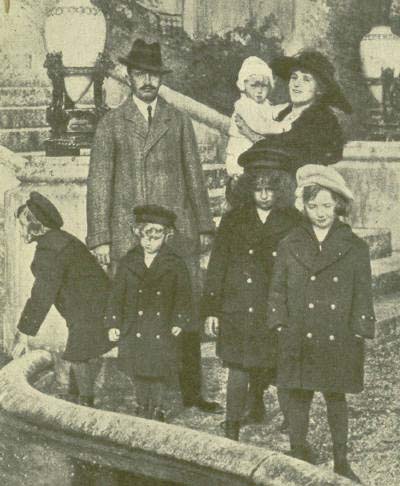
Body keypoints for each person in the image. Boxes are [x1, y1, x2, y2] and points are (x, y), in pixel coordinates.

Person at [86, 39, 221, 414]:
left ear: (161, 79)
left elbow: (194, 176)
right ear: (129, 77)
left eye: (153, 75)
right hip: (131, 234)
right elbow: (99, 185)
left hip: (177, 233)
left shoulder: (178, 120)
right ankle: (141, 396)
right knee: (137, 315)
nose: (147, 81)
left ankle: (192, 393)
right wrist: (100, 238)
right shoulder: (111, 124)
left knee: (184, 310)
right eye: (140, 74)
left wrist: (204, 225)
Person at [267, 165, 375, 483]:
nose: (321, 213)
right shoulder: (290, 243)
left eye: (327, 205)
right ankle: (298, 453)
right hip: (299, 332)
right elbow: (277, 288)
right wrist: (278, 321)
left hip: (337, 334)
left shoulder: (355, 246)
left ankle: (341, 461)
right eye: (313, 206)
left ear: (337, 205)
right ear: (303, 206)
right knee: (298, 396)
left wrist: (360, 327)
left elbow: (362, 291)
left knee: (335, 397)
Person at [203, 146, 301, 441]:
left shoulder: (293, 220)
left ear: (281, 189)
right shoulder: (233, 220)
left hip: (275, 305)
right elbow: (217, 265)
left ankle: (295, 429)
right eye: (258, 189)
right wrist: (211, 309)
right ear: (248, 189)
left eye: (271, 189)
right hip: (238, 304)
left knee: (280, 366)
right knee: (238, 366)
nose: (265, 195)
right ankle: (232, 424)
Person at [12, 192, 113, 407]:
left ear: (35, 225)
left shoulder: (50, 250)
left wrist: (24, 334)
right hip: (93, 305)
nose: (20, 231)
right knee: (81, 351)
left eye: (22, 225)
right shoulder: (60, 239)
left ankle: (84, 404)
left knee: (78, 354)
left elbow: (41, 296)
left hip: (89, 309)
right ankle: (77, 397)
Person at [106, 205, 192, 422]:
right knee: (138, 369)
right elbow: (116, 295)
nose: (150, 241)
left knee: (159, 370)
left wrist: (179, 321)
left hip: (162, 326)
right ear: (138, 233)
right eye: (145, 235)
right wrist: (113, 323)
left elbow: (184, 296)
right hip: (134, 324)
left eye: (156, 237)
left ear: (166, 235)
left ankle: (158, 407)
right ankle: (142, 404)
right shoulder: (128, 261)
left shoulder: (175, 263)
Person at [235, 50, 352, 176]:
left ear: (320, 89)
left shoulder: (322, 119)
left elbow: (288, 152)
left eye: (306, 79)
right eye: (294, 77)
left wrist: (251, 134)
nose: (296, 84)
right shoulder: (282, 114)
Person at [225, 56, 290, 179]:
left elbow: (271, 113)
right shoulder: (243, 105)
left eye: (264, 86)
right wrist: (281, 127)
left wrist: (286, 107)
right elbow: (259, 126)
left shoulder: (264, 104)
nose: (259, 91)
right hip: (241, 150)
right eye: (254, 85)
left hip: (254, 150)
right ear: (244, 85)